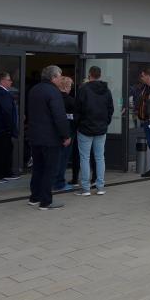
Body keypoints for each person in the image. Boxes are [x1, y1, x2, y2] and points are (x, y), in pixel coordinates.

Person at [26, 65, 71, 210]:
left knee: (38, 168)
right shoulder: (53, 92)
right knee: (50, 170)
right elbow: (59, 116)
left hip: (35, 136)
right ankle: (46, 202)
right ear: (53, 77)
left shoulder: (34, 89)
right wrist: (65, 135)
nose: (61, 78)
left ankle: (35, 197)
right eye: (60, 76)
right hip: (50, 138)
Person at [74, 66, 114, 196]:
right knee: (100, 157)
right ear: (100, 75)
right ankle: (100, 186)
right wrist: (105, 122)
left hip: (85, 128)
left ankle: (85, 188)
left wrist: (77, 124)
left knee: (84, 158)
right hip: (101, 129)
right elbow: (110, 109)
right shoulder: (106, 90)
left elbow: (77, 110)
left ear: (89, 74)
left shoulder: (83, 89)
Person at [54, 76, 76, 192]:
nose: (71, 88)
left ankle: (51, 181)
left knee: (53, 159)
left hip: (53, 133)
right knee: (63, 159)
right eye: (70, 86)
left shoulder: (53, 98)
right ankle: (59, 182)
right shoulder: (70, 101)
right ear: (66, 87)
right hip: (67, 133)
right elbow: (73, 119)